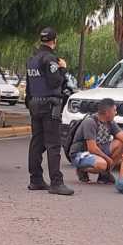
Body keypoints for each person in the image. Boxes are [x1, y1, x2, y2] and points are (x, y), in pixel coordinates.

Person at [25, 27, 74, 196]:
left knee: (36, 143)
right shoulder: (50, 59)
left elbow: (29, 86)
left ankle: (35, 179)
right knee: (53, 144)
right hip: (50, 105)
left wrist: (30, 104)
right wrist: (63, 68)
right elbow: (55, 82)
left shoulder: (32, 59)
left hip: (34, 103)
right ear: (54, 40)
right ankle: (56, 183)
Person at [68, 98, 123, 184]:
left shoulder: (110, 122)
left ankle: (104, 175)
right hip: (81, 153)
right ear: (107, 112)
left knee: (121, 144)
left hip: (98, 149)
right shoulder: (90, 122)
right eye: (114, 110)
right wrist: (108, 159)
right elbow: (92, 148)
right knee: (102, 164)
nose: (116, 113)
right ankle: (82, 169)